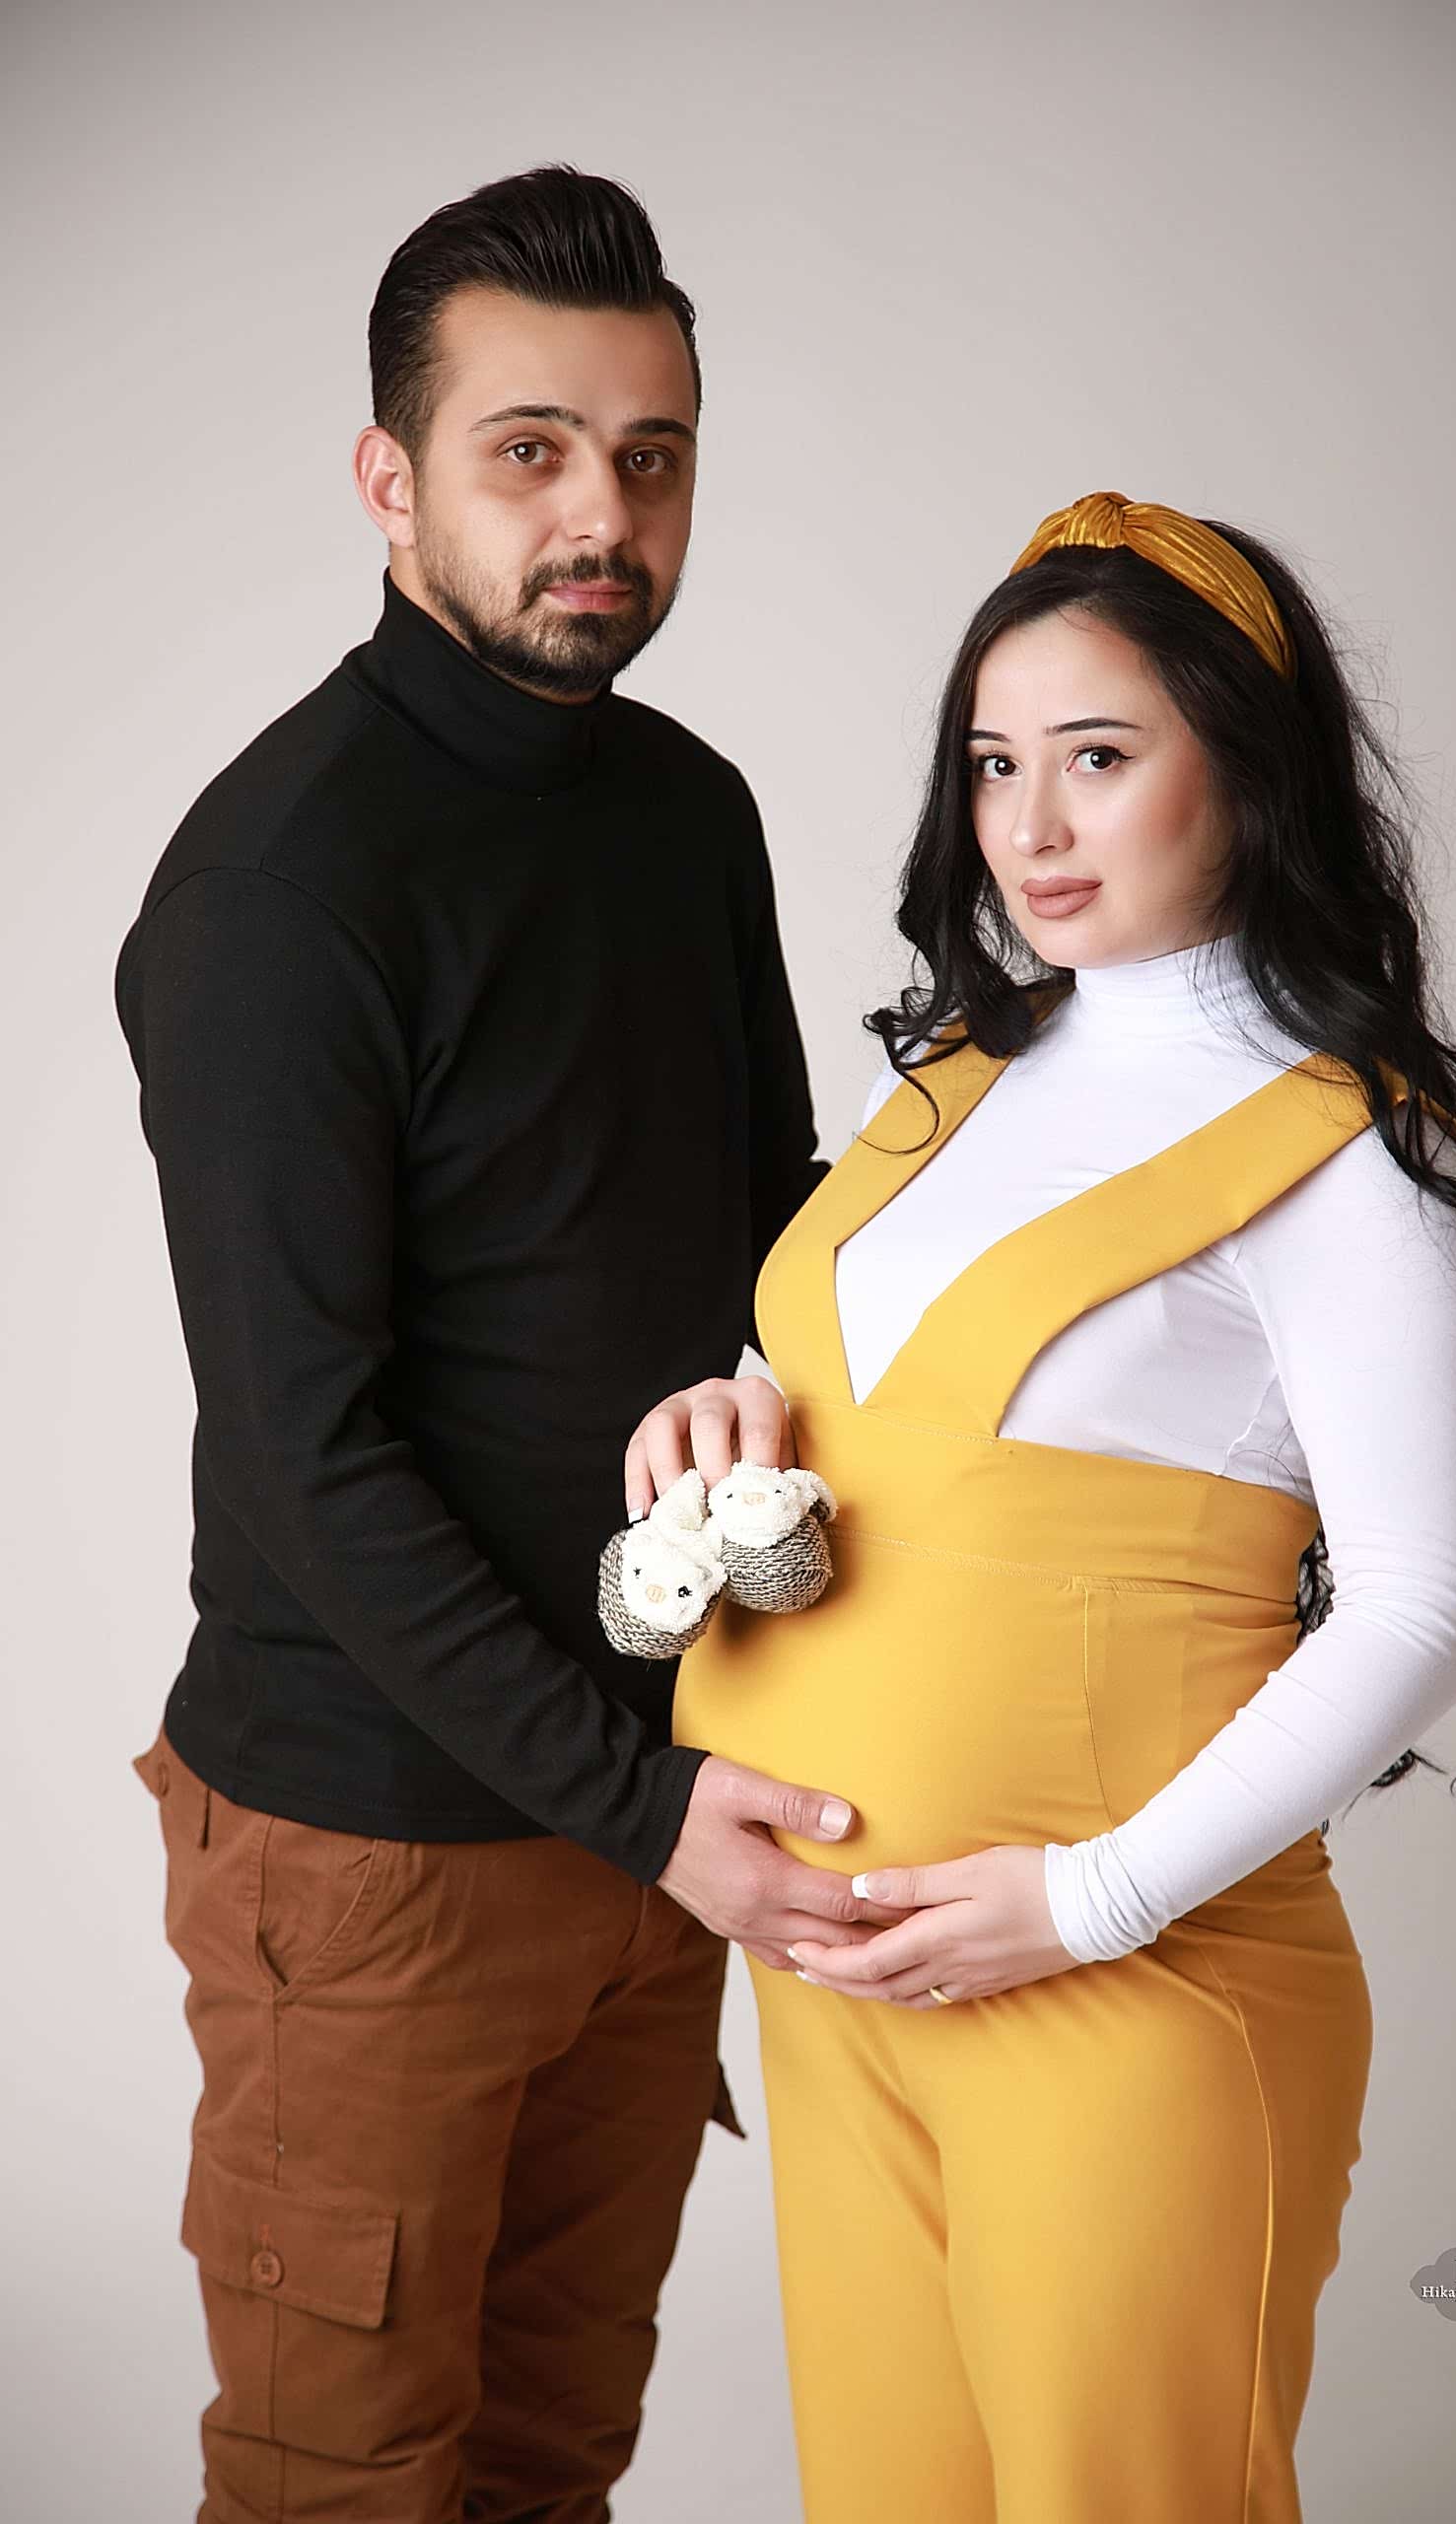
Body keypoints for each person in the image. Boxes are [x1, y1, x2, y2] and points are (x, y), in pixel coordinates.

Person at [629, 491, 1456, 2521]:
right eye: (991, 763)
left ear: (1251, 767)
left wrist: (1085, 1901)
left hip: (1121, 1992)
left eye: (1098, 757)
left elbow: (1420, 1604)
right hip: (838, 1984)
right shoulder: (959, 1076)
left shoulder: (1346, 1146)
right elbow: (868, 1406)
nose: (1029, 825)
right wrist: (723, 1416)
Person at [115, 162, 881, 2522]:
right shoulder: (284, 883)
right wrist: (646, 1807)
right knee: (346, 2484)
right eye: (527, 450)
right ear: (391, 480)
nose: (600, 517)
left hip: (656, 1816)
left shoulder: (687, 813)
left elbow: (776, 1256)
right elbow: (307, 1451)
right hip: (375, 1851)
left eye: (649, 455)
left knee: (553, 2463)